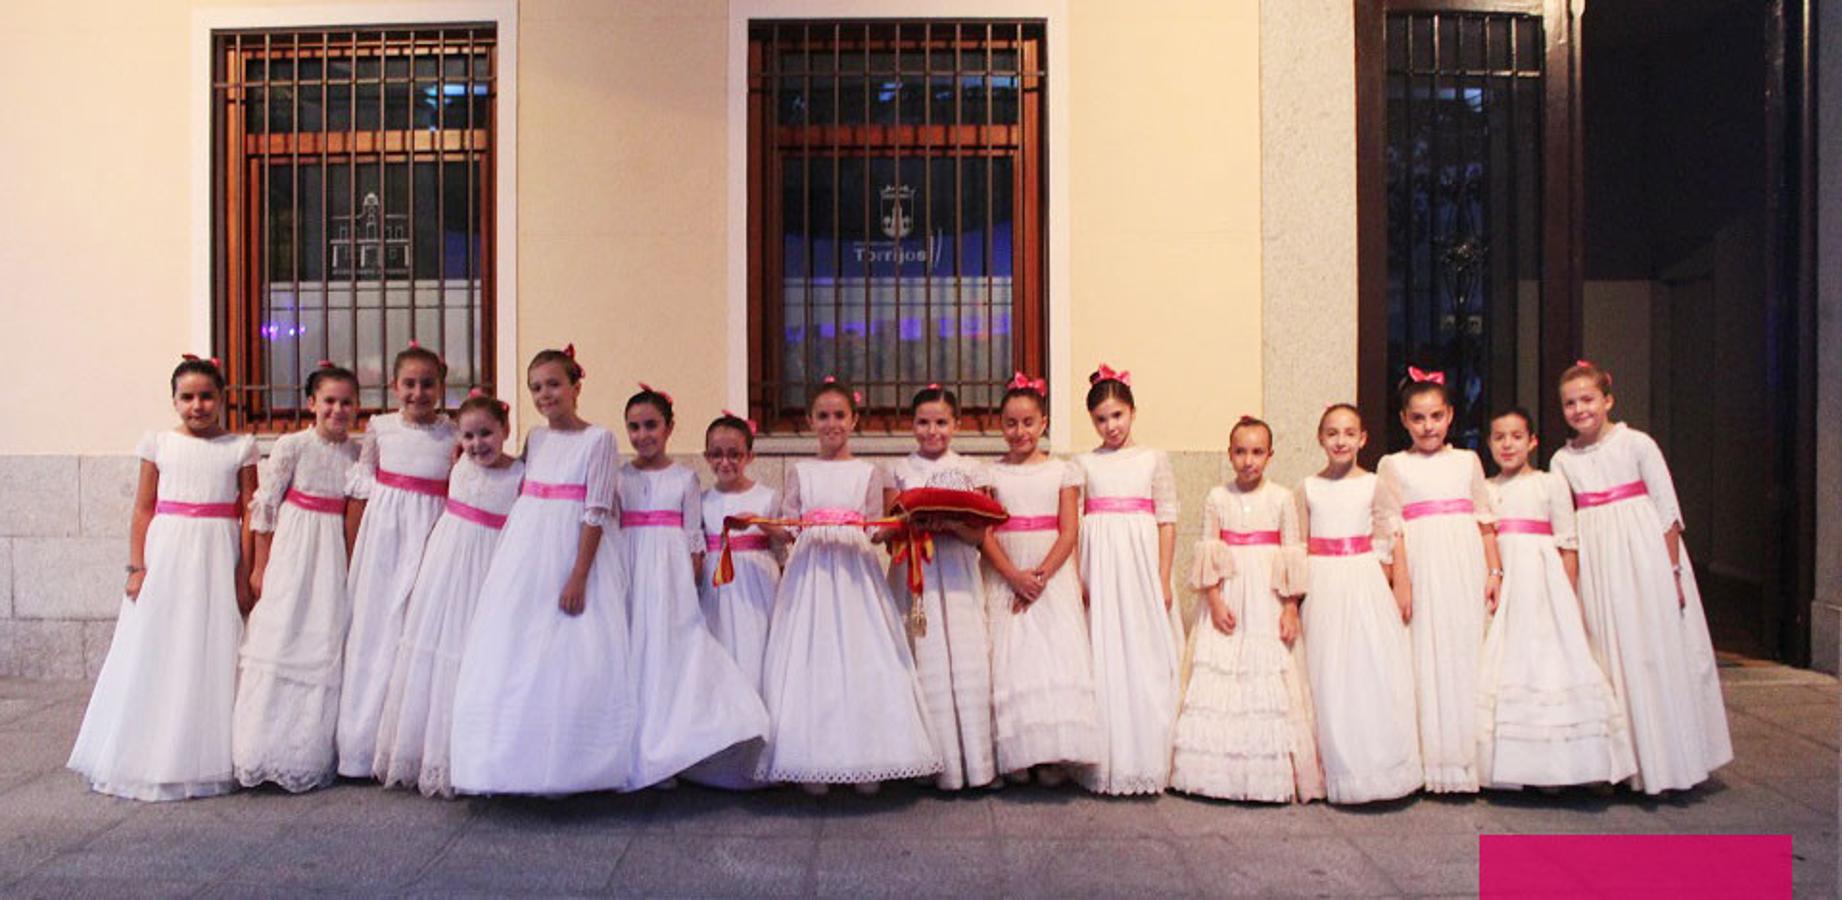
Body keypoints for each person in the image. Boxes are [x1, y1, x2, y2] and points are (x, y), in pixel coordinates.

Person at [68, 355, 258, 801]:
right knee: (160, 643)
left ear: (222, 399)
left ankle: (203, 752)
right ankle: (146, 749)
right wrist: (137, 568)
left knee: (208, 645)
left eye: (206, 396)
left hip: (217, 551)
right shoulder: (158, 444)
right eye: (188, 397)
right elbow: (144, 508)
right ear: (174, 401)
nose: (198, 405)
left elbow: (251, 510)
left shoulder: (240, 446)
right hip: (169, 551)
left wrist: (245, 570)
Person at [449, 346, 637, 795]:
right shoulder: (535, 437)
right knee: (516, 646)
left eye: (554, 384)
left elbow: (595, 511)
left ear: (576, 386)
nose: (545, 394)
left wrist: (579, 574)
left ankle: (573, 763)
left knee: (571, 652)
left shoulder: (599, 440)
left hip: (570, 549)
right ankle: (507, 759)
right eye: (536, 387)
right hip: (526, 551)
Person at [753, 378, 943, 794]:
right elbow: (791, 526)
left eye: (840, 415)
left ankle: (868, 758)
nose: (832, 424)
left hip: (856, 576)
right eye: (823, 416)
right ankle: (813, 759)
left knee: (863, 658)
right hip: (812, 576)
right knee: (814, 660)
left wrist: (897, 526)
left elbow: (875, 530)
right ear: (809, 421)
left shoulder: (867, 473)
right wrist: (770, 528)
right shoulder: (801, 472)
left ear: (854, 420)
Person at [1550, 360, 1731, 793]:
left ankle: (1667, 761)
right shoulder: (1562, 460)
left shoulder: (1637, 445)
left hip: (1643, 556)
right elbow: (1565, 524)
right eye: (1570, 403)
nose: (1580, 410)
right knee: (1610, 653)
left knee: (1650, 652)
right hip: (1597, 560)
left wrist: (1670, 570)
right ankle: (1621, 761)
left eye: (1588, 400)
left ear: (1608, 400)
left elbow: (1667, 512)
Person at [372, 391, 524, 798]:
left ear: (506, 430)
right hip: (448, 567)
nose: (479, 445)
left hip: (490, 567)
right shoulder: (458, 466)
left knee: (479, 657)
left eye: (487, 434)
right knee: (439, 655)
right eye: (470, 436)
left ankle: (477, 755)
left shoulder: (520, 475)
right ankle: (433, 753)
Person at [1475, 407, 1635, 790]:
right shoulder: (1487, 488)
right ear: (1489, 445)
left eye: (1516, 436)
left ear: (1532, 442)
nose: (1508, 444)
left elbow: (1567, 542)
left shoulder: (1550, 483)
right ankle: (1514, 762)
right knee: (1509, 661)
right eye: (1499, 438)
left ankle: (1566, 762)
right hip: (1507, 582)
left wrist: (1566, 592)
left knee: (1548, 662)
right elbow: (1485, 539)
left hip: (1542, 582)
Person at [618, 384, 769, 790]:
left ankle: (671, 752)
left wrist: (691, 587)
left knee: (669, 661)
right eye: (634, 427)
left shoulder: (685, 480)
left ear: (669, 428)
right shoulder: (620, 477)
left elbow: (693, 539)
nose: (643, 435)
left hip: (670, 580)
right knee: (635, 658)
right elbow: (613, 532)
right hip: (632, 573)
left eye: (651, 425)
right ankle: (633, 751)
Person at [1171, 415, 1324, 803]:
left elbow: (1292, 555)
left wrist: (1289, 608)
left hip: (1265, 599)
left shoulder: (1282, 498)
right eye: (1240, 452)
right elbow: (1208, 552)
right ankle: (1217, 771)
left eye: (1257, 452)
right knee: (1223, 672)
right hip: (1228, 595)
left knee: (1268, 674)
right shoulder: (1217, 497)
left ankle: (1269, 773)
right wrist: (1215, 600)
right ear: (1229, 454)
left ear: (1270, 455)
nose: (1248, 460)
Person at [233, 361, 361, 792]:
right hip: (294, 547)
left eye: (346, 402)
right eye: (329, 401)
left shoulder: (357, 453)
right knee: (281, 633)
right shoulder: (292, 445)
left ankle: (304, 752)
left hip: (331, 553)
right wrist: (260, 566)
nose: (337, 410)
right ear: (311, 403)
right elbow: (264, 507)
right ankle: (259, 750)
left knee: (320, 640)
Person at [1374, 370, 1502, 793]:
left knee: (1465, 649)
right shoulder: (1392, 465)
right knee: (1425, 652)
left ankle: (1471, 759)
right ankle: (1432, 760)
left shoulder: (1467, 461)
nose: (1428, 426)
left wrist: (1494, 572)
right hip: (1421, 563)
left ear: (1449, 416)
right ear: (1404, 420)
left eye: (1435, 416)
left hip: (1463, 561)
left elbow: (1485, 522)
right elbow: (1391, 529)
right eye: (1418, 418)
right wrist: (1401, 580)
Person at [337, 342, 456, 778]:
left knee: (417, 631)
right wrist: (354, 551)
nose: (418, 392)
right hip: (384, 540)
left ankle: (409, 742)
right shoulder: (379, 429)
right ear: (393, 386)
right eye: (409, 384)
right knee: (376, 629)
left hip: (430, 535)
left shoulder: (453, 434)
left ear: (442, 387)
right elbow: (361, 490)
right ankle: (361, 746)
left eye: (428, 384)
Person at [980, 373, 1101, 786]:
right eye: (1011, 424)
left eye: (1028, 423)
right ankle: (1016, 752)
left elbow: (1069, 531)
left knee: (1051, 659)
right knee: (1012, 660)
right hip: (1007, 570)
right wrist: (1014, 576)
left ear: (1043, 423)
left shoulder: (1062, 472)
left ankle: (1050, 753)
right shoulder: (990, 474)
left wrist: (1041, 577)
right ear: (1000, 426)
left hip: (1050, 574)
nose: (1020, 432)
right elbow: (985, 533)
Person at [1297, 404, 1422, 804]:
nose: (1340, 440)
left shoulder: (1373, 485)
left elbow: (1392, 534)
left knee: (1367, 667)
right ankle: (1336, 767)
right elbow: (1298, 544)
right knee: (1327, 669)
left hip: (1362, 577)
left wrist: (1399, 582)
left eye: (1349, 432)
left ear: (1362, 439)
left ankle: (1379, 766)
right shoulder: (1307, 488)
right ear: (1320, 438)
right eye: (1332, 433)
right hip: (1322, 580)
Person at [1072, 364, 1183, 796]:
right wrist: (1081, 573)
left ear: (1133, 412)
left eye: (1117, 415)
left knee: (1145, 651)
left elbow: (1168, 519)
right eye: (1101, 419)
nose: (1110, 426)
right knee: (1105, 652)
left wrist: (1163, 576)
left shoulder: (1153, 459)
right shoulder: (1084, 463)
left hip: (1139, 567)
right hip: (1101, 566)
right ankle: (1107, 754)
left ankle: (1149, 753)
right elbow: (1079, 521)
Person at [888, 384, 998, 791]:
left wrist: (952, 524)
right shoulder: (899, 470)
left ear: (956, 424)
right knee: (925, 653)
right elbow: (890, 524)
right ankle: (932, 763)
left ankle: (976, 763)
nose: (931, 431)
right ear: (911, 425)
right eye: (922, 422)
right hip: (918, 570)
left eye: (940, 422)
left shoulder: (972, 469)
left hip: (956, 571)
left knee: (966, 654)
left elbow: (980, 532)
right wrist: (912, 522)